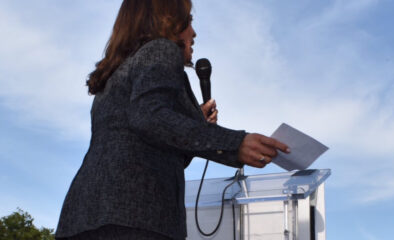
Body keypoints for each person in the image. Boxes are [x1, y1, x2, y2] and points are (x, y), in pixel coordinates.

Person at [55, 0, 290, 239]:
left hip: (84, 217)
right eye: (188, 21)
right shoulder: (161, 49)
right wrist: (235, 144)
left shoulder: (116, 73)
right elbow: (149, 117)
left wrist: (196, 123)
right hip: (137, 217)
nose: (193, 33)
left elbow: (149, 142)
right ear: (167, 21)